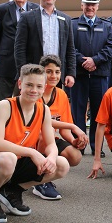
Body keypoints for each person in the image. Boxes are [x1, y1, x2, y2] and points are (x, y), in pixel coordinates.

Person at [0, 64, 70, 223]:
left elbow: (51, 143)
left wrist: (51, 157)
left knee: (61, 164)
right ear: (20, 84)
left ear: (44, 87)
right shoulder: (5, 106)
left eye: (38, 86)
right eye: (29, 85)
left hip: (16, 160)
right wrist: (32, 152)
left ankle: (12, 191)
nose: (33, 90)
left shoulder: (43, 110)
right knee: (8, 159)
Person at [33, 55, 88, 200]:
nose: (54, 75)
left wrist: (72, 140)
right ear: (41, 73)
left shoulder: (62, 94)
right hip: (30, 141)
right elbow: (43, 121)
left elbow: (64, 129)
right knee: (48, 131)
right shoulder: (34, 92)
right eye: (49, 71)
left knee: (75, 156)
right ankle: (40, 179)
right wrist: (73, 126)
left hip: (48, 141)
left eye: (57, 72)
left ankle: (44, 172)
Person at [71, 0, 112, 157]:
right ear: (82, 5)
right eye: (87, 4)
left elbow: (111, 47)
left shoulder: (107, 26)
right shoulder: (73, 24)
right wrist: (84, 61)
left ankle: (95, 146)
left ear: (98, 6)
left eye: (93, 5)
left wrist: (95, 60)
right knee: (78, 110)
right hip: (80, 75)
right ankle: (80, 143)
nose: (90, 7)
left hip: (99, 75)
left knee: (99, 113)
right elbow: (69, 47)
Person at [14, 0, 76, 88]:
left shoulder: (66, 19)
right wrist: (23, 73)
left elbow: (70, 49)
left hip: (56, 76)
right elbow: (19, 48)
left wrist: (71, 73)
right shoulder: (27, 17)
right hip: (34, 75)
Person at [0, 0, 39, 101]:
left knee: (25, 101)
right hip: (7, 63)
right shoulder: (3, 9)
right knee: (3, 101)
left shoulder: (36, 10)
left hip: (29, 63)